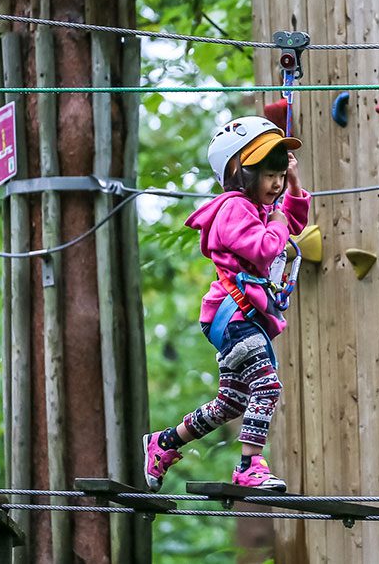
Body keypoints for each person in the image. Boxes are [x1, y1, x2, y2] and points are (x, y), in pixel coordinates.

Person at [143, 115, 311, 491]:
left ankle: (165, 443)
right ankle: (250, 465)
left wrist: (294, 187)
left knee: (232, 402)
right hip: (235, 315)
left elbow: (292, 223)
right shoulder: (235, 208)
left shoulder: (257, 208)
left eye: (280, 175)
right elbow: (267, 248)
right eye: (269, 174)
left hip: (241, 316)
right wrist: (281, 218)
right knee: (266, 386)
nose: (277, 183)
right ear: (238, 171)